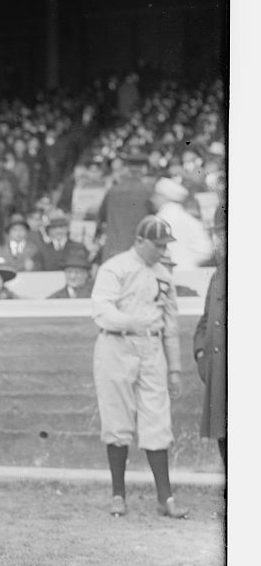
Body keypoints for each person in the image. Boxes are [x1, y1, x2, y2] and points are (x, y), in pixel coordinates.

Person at [90, 215, 188, 519]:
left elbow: (171, 324)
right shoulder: (115, 267)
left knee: (157, 420)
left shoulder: (163, 274)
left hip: (152, 347)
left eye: (164, 245)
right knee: (117, 420)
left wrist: (175, 368)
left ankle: (165, 498)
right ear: (140, 241)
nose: (161, 250)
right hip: (116, 344)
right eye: (157, 245)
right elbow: (101, 310)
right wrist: (130, 321)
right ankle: (118, 494)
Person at [193, 208, 227, 468]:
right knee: (224, 440)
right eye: (217, 235)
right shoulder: (218, 275)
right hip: (218, 376)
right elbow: (205, 321)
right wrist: (201, 354)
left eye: (223, 234)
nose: (220, 240)